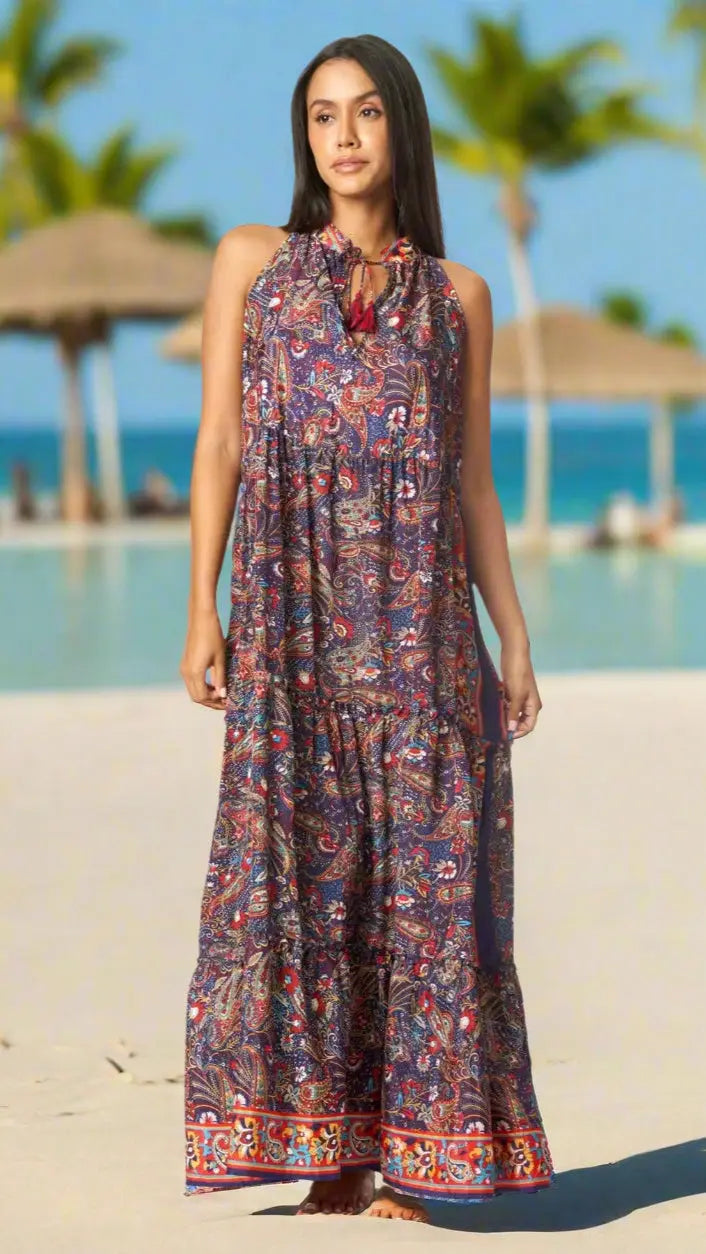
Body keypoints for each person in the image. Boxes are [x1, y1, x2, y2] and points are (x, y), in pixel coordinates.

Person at [180, 33, 554, 1223]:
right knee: (303, 884)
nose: (342, 137)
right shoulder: (252, 263)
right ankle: (330, 1159)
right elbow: (221, 447)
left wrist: (513, 636)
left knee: (426, 903)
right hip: (290, 639)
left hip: (424, 645)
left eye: (366, 114)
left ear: (402, 129)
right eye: (321, 117)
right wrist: (203, 605)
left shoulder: (461, 298)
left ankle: (409, 1165)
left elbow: (474, 485)